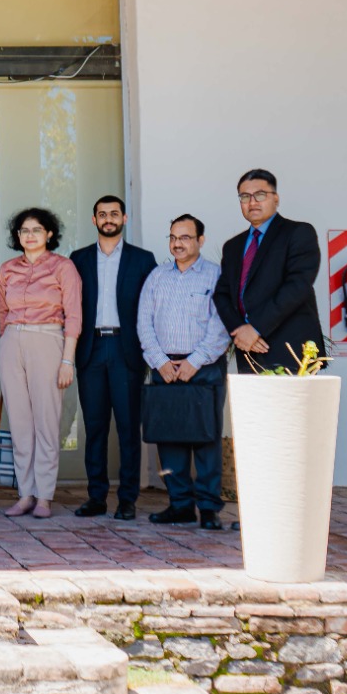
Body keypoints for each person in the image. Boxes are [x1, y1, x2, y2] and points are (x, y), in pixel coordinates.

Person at [139, 215, 232, 530]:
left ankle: (208, 508)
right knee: (171, 438)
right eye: (173, 237)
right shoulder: (157, 277)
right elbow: (144, 323)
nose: (177, 243)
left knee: (206, 439)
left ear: (200, 240)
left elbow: (222, 325)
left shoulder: (215, 276)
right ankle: (179, 505)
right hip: (164, 367)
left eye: (185, 237)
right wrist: (159, 361)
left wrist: (195, 361)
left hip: (203, 368)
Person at [70, 196, 157, 521]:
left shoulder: (142, 260)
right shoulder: (78, 259)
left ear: (125, 217)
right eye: (102, 214)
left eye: (114, 214)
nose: (109, 219)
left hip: (126, 350)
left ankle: (127, 499)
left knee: (127, 428)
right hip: (91, 350)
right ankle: (95, 497)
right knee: (94, 428)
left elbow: (152, 309)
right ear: (94, 220)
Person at [0, 207, 81, 520]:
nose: (29, 235)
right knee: (19, 423)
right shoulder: (6, 270)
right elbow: (2, 314)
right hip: (12, 342)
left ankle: (45, 495)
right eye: (23, 231)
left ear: (48, 234)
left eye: (36, 229)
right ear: (17, 237)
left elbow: (73, 316)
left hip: (48, 340)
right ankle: (25, 493)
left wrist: (67, 360)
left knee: (47, 421)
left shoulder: (63, 268)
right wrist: (8, 346)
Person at [212, 169, 325, 374]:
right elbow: (221, 294)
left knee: (292, 407)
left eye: (260, 195)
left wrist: (255, 328)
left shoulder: (298, 233)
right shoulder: (233, 246)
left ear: (276, 198)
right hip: (248, 350)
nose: (252, 202)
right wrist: (241, 331)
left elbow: (298, 286)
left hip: (290, 349)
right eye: (245, 197)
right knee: (252, 407)